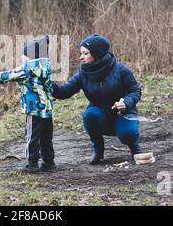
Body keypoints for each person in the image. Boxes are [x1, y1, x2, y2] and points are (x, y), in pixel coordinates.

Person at [51, 34, 142, 165]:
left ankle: (134, 148)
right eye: (81, 53)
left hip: (124, 112)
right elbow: (64, 92)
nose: (81, 57)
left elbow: (135, 90)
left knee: (128, 134)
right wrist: (46, 83)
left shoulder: (121, 70)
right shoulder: (83, 73)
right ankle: (98, 150)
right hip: (100, 112)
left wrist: (126, 103)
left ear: (97, 54)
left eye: (85, 53)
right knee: (90, 115)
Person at [0, 35, 56, 173]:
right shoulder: (46, 67)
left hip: (33, 109)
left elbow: (7, 75)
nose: (22, 58)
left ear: (30, 56)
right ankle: (49, 162)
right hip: (47, 109)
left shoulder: (25, 70)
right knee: (46, 137)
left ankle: (32, 163)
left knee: (32, 136)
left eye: (24, 55)